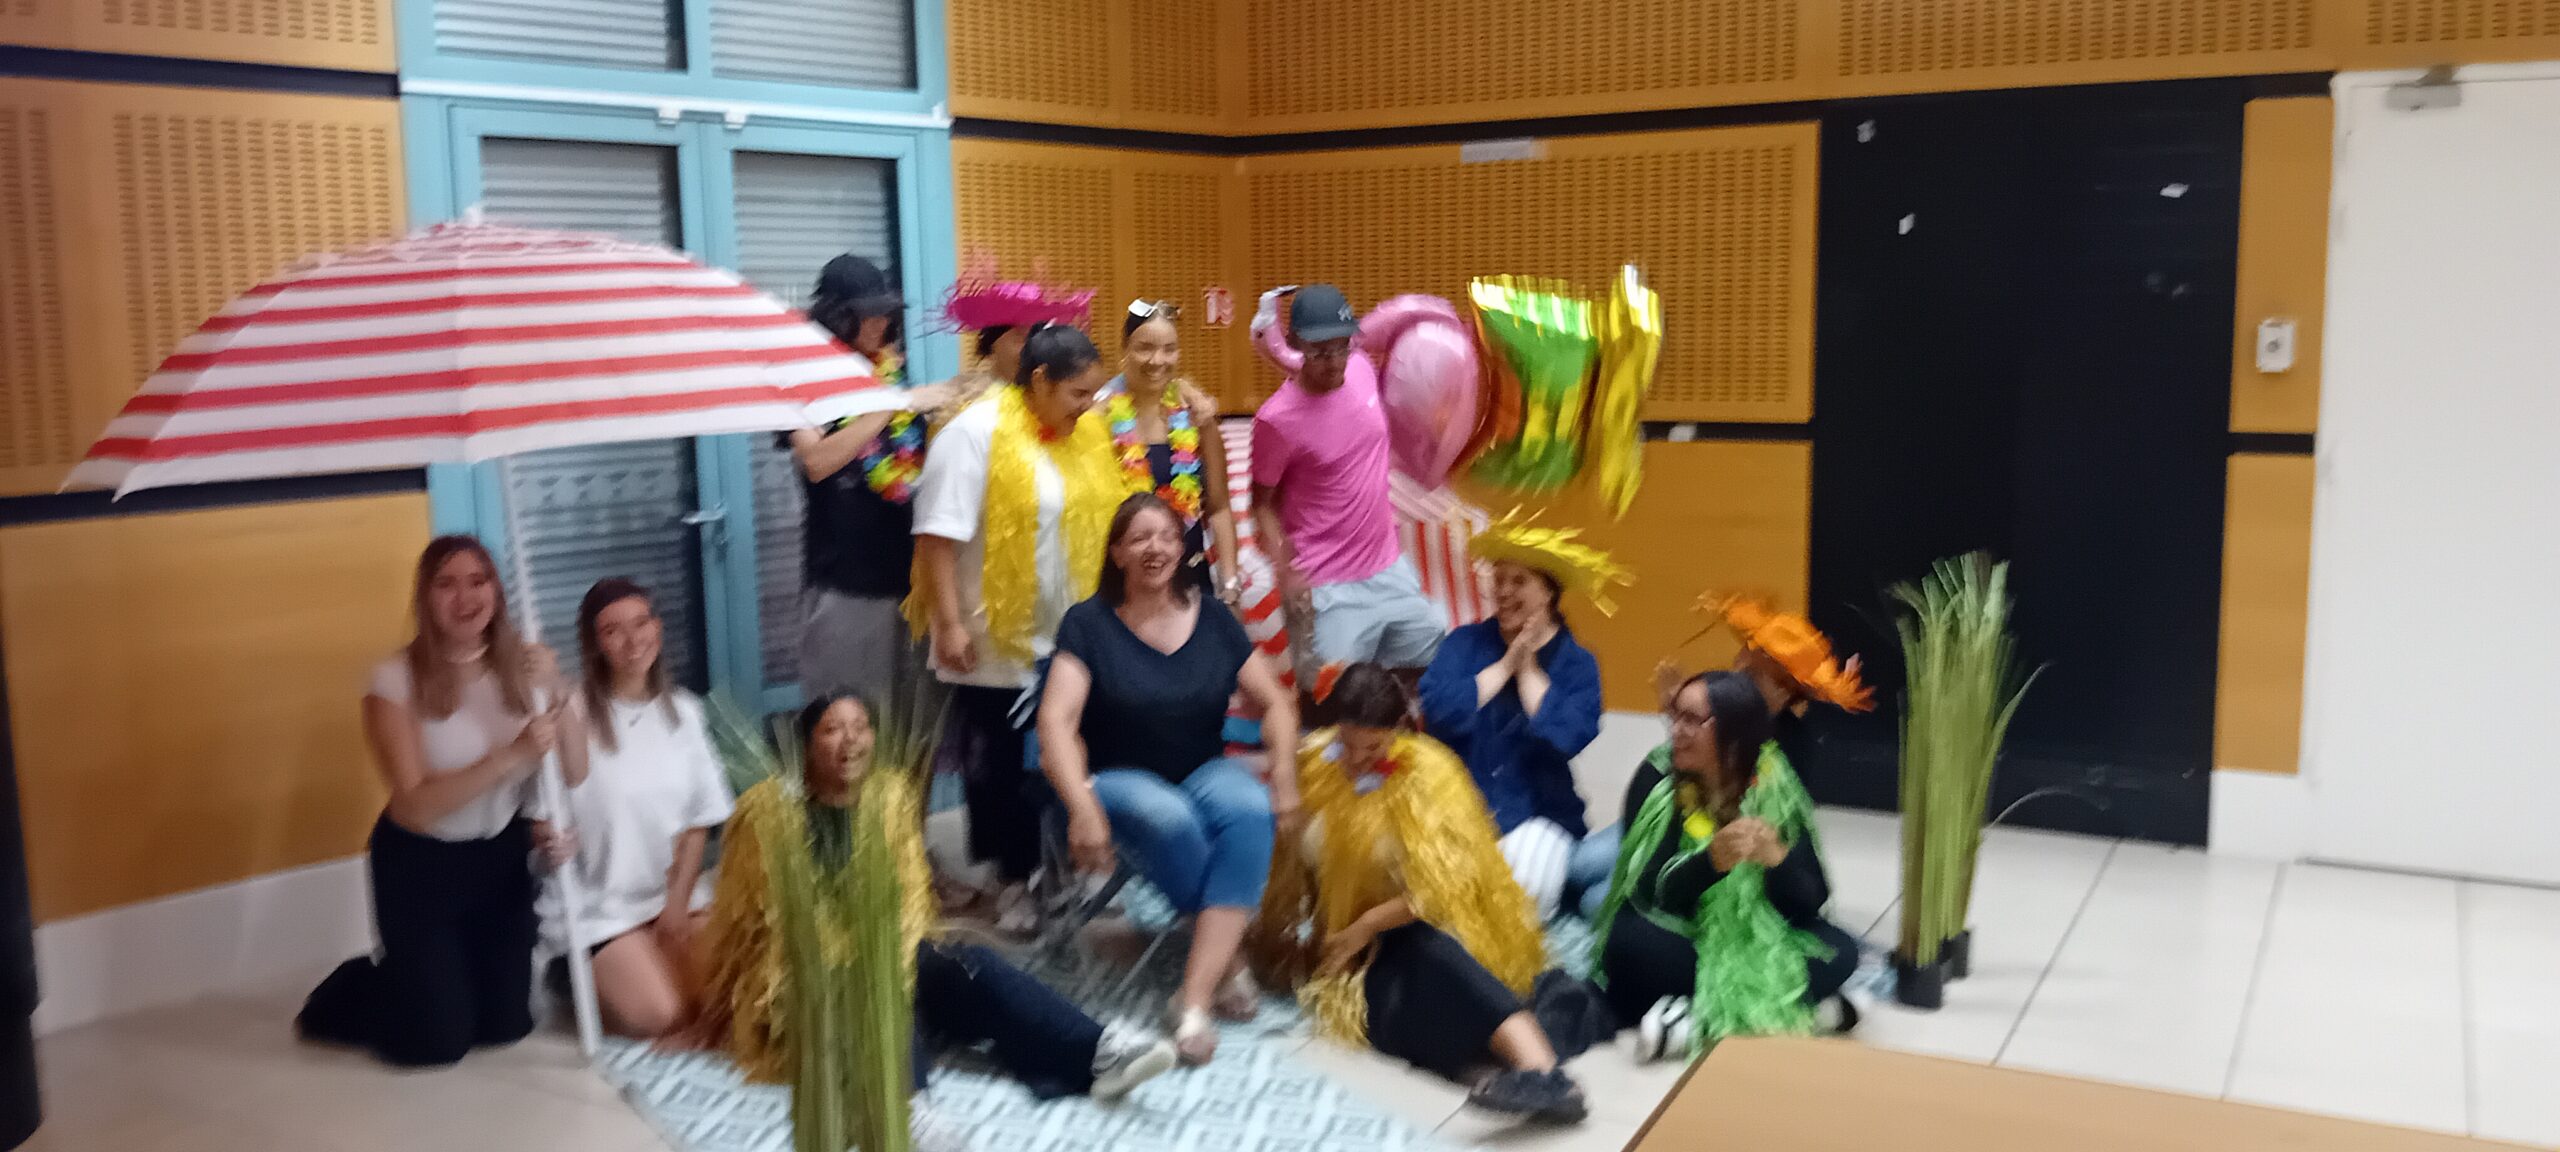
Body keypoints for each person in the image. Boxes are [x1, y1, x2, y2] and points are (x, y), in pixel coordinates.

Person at [689, 694, 1177, 1102]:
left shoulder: (887, 799)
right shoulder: (769, 816)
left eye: (860, 728)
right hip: (807, 981)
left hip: (892, 954)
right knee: (874, 982)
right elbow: (769, 923)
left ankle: (1099, 1051)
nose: (850, 740)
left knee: (973, 965)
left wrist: (892, 946)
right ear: (806, 745)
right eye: (832, 730)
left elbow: (907, 897)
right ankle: (908, 1110)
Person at [1251, 663, 1587, 1124]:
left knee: (1430, 955)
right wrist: (1293, 939)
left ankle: (1545, 1074)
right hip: (1353, 953)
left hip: (1429, 926)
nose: (1357, 760)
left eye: (1373, 747)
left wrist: (1366, 925)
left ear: (1397, 730)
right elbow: (1291, 869)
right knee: (1392, 1019)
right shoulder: (1313, 763)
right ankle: (1520, 1076)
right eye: (1347, 744)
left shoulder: (1431, 774)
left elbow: (1441, 891)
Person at [296, 535, 585, 1067]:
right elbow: (414, 807)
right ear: (425, 598)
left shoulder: (524, 669)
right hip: (421, 867)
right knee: (436, 1044)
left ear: (496, 591)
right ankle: (367, 982)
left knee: (505, 1027)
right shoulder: (393, 680)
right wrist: (510, 755)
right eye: (446, 584)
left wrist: (558, 689)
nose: (465, 597)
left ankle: (441, 977)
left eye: (478, 581)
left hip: (499, 860)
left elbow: (575, 770)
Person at [1036, 493, 1301, 1065]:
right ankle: (1227, 964)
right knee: (1170, 816)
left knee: (1250, 811)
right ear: (1117, 553)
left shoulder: (1214, 619)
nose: (1153, 548)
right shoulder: (1088, 624)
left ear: (1182, 549)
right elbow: (1055, 722)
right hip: (1114, 778)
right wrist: (1081, 807)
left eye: (1165, 536)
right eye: (1138, 538)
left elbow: (1277, 702)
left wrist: (1283, 774)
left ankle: (1192, 999)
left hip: (1200, 768)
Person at [911, 322, 1128, 931]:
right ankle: (1011, 883)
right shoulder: (973, 433)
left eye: (1092, 394)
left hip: (1067, 634)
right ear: (1039, 380)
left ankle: (1059, 870)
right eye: (1077, 393)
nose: (1089, 406)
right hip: (991, 639)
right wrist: (948, 624)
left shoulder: (1085, 433)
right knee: (999, 766)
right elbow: (935, 537)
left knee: (1062, 758)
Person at [1588, 671, 1863, 1063]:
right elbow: (1649, 894)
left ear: (1735, 732)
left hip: (1759, 936)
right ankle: (1807, 1011)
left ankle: (1688, 1021)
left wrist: (1778, 861)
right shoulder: (1657, 779)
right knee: (1629, 945)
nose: (1676, 731)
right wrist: (1709, 863)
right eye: (1675, 716)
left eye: (1691, 720)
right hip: (1683, 935)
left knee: (1841, 950)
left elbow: (1812, 900)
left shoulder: (1775, 783)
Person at [1568, 593, 1871, 920]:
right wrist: (1678, 716)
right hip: (1669, 823)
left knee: (1597, 902)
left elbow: (1768, 826)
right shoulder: (1719, 703)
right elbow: (1674, 778)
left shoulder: (1790, 751)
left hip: (1713, 844)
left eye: (1752, 675)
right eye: (1739, 663)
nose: (1737, 678)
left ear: (1783, 693)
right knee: (1580, 866)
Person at [527, 578, 733, 1039]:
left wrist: (676, 906)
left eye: (641, 623)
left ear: (657, 628)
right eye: (612, 630)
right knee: (663, 1016)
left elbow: (699, 821)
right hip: (601, 908)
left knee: (727, 995)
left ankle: (644, 962)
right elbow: (541, 818)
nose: (632, 640)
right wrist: (549, 838)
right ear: (595, 644)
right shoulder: (571, 713)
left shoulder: (684, 712)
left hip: (672, 898)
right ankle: (576, 976)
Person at [1417, 513, 1623, 919]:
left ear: (1547, 592)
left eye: (1518, 581)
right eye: (1499, 580)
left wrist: (1528, 671)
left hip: (1540, 817)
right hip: (1458, 810)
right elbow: (1439, 711)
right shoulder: (1464, 642)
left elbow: (1569, 736)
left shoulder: (1578, 663)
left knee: (1522, 896)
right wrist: (1504, 666)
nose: (1504, 591)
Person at [1248, 284, 1445, 683]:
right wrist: (1286, 571)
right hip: (1327, 587)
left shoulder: (1360, 368)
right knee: (1328, 693)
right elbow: (1262, 504)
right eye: (1320, 351)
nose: (1335, 361)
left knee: (1432, 664)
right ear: (1295, 344)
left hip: (1389, 569)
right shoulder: (1275, 420)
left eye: (1342, 346)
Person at [786, 253, 942, 710]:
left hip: (913, 581)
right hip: (846, 585)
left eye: (885, 312)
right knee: (850, 719)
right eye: (867, 313)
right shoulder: (802, 383)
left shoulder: (890, 373)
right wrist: (893, 404)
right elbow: (817, 461)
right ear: (837, 317)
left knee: (917, 729)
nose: (880, 322)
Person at [1098, 299, 1241, 604]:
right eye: (1145, 348)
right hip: (1123, 591)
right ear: (1124, 350)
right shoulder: (1100, 419)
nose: (1157, 360)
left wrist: (1230, 586)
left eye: (1169, 349)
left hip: (1189, 581)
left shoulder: (1197, 415)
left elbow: (1219, 508)